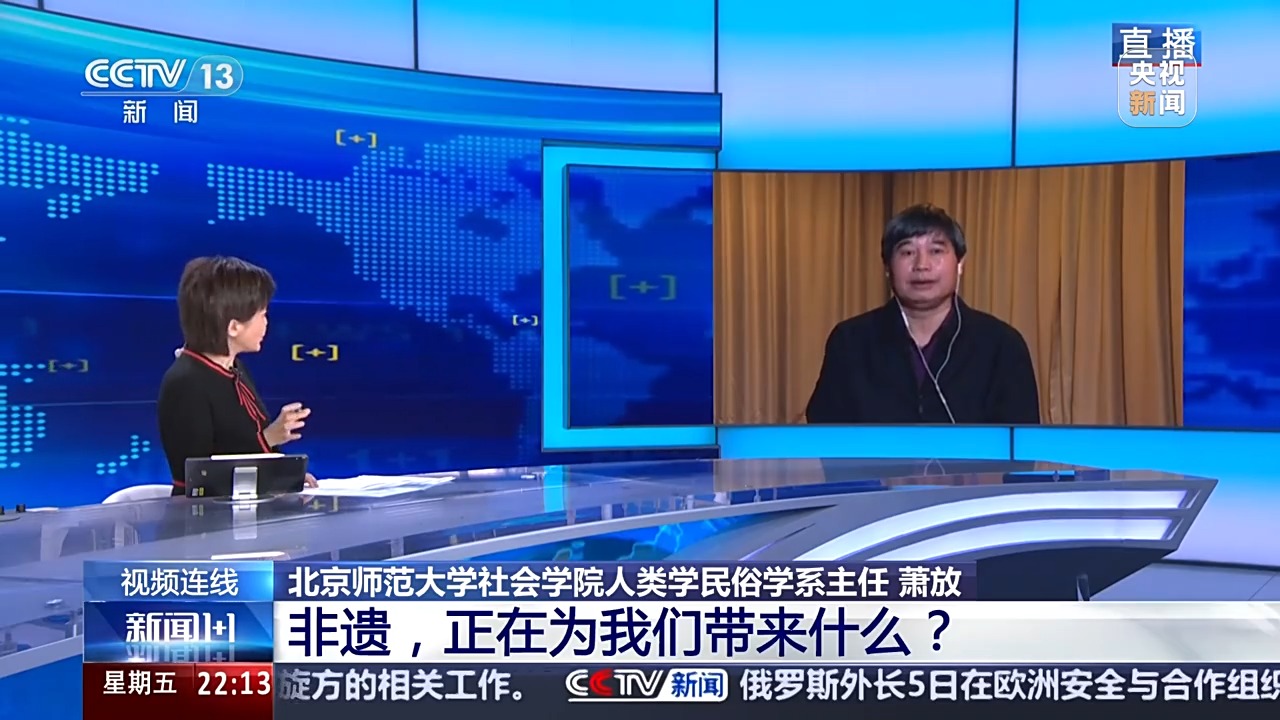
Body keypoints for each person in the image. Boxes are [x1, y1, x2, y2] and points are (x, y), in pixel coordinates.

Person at [805, 204, 1041, 425]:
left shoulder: (1001, 345)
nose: (922, 265)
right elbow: (825, 433)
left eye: (936, 251)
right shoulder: (850, 341)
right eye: (907, 252)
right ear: (887, 267)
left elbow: (1021, 442)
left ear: (960, 263)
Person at [157, 256, 316, 496]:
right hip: (203, 515)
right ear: (233, 327)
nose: (266, 324)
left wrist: (285, 476)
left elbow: (241, 444)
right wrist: (268, 438)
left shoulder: (235, 369)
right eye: (262, 315)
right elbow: (200, 476)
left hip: (249, 505)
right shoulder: (186, 382)